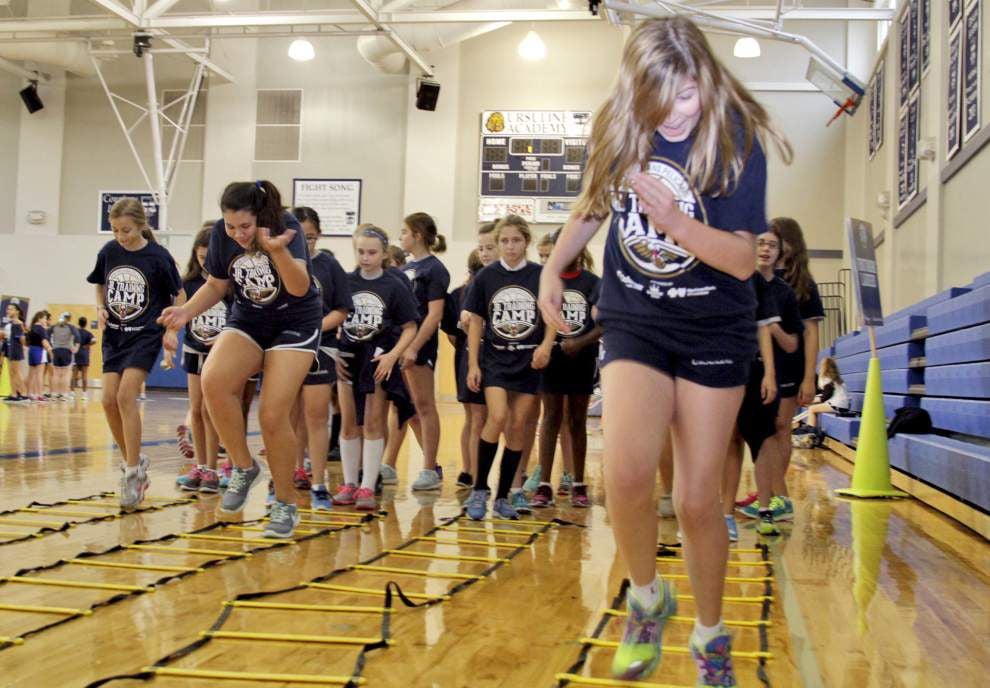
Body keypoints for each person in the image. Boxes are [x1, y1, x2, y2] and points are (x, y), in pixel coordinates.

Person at [537, 17, 791, 684]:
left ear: (704, 77)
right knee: (624, 473)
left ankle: (710, 636)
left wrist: (675, 221)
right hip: (636, 321)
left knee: (698, 498)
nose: (680, 111)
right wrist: (552, 267)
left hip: (715, 329)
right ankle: (647, 601)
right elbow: (593, 204)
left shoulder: (737, 139)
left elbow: (742, 259)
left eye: (688, 94)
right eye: (664, 99)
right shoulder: (619, 124)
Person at [159, 180, 322, 538]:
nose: (237, 234)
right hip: (250, 318)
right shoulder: (222, 234)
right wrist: (185, 312)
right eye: (230, 226)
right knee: (213, 381)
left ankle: (284, 502)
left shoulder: (286, 227)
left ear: (260, 218)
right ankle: (244, 468)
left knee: (272, 413)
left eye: (244, 227)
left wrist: (276, 250)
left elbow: (298, 287)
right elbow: (217, 284)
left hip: (295, 322)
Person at [87, 197, 182, 509]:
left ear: (141, 225)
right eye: (115, 230)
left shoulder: (157, 256)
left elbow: (178, 294)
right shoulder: (109, 252)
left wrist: (171, 328)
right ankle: (133, 458)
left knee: (126, 395)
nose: (120, 236)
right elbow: (99, 284)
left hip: (145, 334)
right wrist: (100, 308)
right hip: (115, 335)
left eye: (126, 230)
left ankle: (132, 472)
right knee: (107, 399)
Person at [465, 214, 556, 520]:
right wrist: (474, 363)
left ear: (526, 242)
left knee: (518, 425)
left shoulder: (540, 275)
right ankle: (479, 489)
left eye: (516, 240)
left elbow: (551, 315)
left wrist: (545, 346)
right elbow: (476, 321)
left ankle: (504, 496)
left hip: (528, 361)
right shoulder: (486, 277)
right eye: (504, 240)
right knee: (498, 416)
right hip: (495, 360)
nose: (509, 246)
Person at [334, 225, 418, 511]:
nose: (366, 257)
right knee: (348, 423)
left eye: (372, 252)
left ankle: (368, 485)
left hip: (378, 358)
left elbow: (410, 326)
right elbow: (333, 318)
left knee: (372, 422)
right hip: (348, 357)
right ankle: (348, 482)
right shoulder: (344, 282)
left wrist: (393, 356)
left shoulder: (394, 285)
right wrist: (333, 354)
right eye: (361, 251)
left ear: (384, 254)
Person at [532, 230, 601, 509]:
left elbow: (603, 323)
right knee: (550, 417)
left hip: (581, 358)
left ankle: (578, 482)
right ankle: (544, 484)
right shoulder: (548, 281)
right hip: (553, 358)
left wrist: (580, 342)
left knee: (576, 420)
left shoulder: (593, 283)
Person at [723, 245, 787, 541]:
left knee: (759, 439)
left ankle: (764, 510)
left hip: (753, 370)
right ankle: (725, 515)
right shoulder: (713, 271)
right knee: (730, 440)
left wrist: (770, 374)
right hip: (721, 368)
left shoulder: (756, 281)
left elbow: (764, 329)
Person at [293, 206, 351, 511]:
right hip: (285, 348)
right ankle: (291, 472)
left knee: (316, 415)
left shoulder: (328, 265)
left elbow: (341, 309)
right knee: (287, 416)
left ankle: (318, 483)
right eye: (301, 237)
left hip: (320, 346)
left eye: (312, 237)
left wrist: (313, 327)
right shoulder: (278, 262)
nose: (307, 243)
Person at [768, 216, 825, 520]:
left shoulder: (804, 285)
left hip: (791, 366)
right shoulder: (761, 278)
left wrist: (808, 378)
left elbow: (811, 333)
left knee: (780, 428)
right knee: (762, 432)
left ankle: (780, 495)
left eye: (779, 239)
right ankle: (769, 490)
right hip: (762, 366)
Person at [174, 226, 230, 494]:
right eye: (200, 257)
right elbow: (179, 313)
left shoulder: (227, 284)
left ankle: (214, 470)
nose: (205, 263)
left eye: (209, 257)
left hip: (221, 355)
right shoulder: (189, 283)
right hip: (195, 350)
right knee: (196, 410)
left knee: (212, 411)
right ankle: (201, 467)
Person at [397, 213, 451, 492]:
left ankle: (428, 468)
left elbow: (434, 315)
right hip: (399, 345)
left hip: (419, 347)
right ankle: (429, 464)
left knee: (425, 405)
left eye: (404, 232)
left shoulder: (434, 269)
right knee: (409, 409)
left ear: (418, 235)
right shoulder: (405, 267)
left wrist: (415, 347)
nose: (400, 237)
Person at [441, 248, 487, 489]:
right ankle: (474, 475)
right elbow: (452, 333)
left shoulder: (462, 292)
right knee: (477, 418)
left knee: (472, 418)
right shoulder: (461, 295)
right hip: (471, 360)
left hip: (467, 358)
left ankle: (468, 471)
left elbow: (451, 335)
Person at [805, 356, 849, 427]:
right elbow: (826, 395)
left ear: (825, 368)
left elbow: (824, 397)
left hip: (837, 406)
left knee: (811, 409)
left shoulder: (828, 380)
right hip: (843, 406)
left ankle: (810, 431)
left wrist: (810, 401)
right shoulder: (838, 380)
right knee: (814, 406)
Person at [49, 312, 79, 401]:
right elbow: (77, 336)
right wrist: (76, 347)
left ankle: (54, 394)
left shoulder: (54, 326)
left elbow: (46, 334)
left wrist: (50, 346)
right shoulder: (71, 327)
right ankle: (64, 394)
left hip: (56, 350)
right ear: (69, 319)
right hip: (66, 350)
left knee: (56, 373)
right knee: (65, 373)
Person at [2, 303, 28, 403]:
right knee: (11, 373)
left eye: (11, 309)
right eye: (8, 309)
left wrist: (23, 337)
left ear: (17, 311)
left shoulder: (17, 323)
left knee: (16, 372)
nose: (8, 311)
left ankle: (24, 394)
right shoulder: (10, 323)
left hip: (15, 349)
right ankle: (13, 394)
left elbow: (22, 340)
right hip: (9, 349)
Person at [26, 312, 54, 402]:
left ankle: (29, 394)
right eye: (45, 318)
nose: (46, 320)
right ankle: (39, 395)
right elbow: (44, 342)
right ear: (39, 318)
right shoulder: (41, 329)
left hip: (31, 350)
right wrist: (50, 351)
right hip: (39, 351)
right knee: (39, 374)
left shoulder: (32, 327)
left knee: (31, 374)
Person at [71, 316, 95, 400]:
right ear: (86, 324)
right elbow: (94, 340)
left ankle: (72, 393)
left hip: (76, 354)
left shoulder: (75, 332)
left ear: (78, 323)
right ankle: (84, 394)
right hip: (84, 355)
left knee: (74, 375)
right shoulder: (88, 333)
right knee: (84, 375)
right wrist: (87, 345)